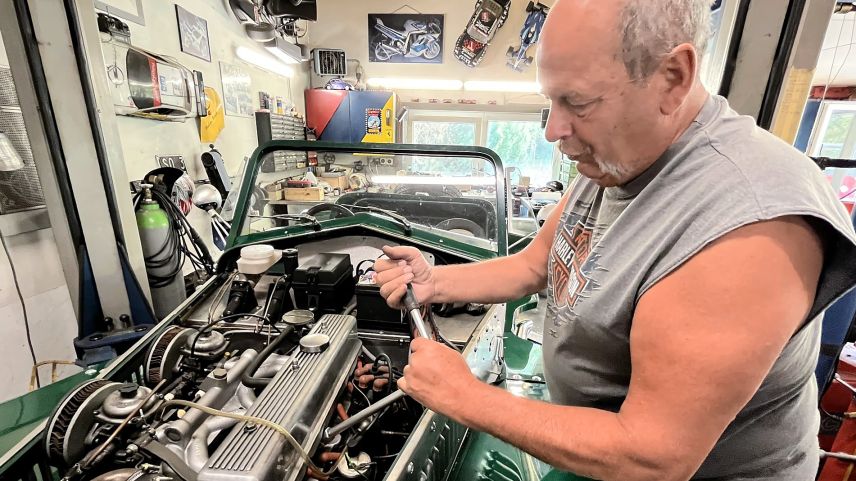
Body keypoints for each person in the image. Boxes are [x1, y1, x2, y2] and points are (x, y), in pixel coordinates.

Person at [374, 0, 856, 480]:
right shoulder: (617, 158)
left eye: (577, 102)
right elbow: (535, 265)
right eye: (551, 100)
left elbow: (652, 457)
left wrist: (465, 396)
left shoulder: (749, 221)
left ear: (672, 77)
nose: (553, 130)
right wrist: (434, 281)